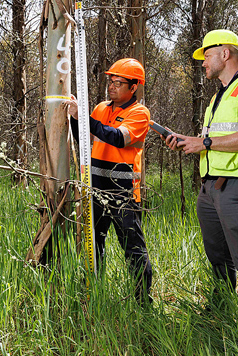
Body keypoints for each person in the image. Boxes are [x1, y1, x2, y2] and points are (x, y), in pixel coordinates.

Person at [164, 30, 238, 344]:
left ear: (225, 53)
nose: (203, 63)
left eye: (206, 55)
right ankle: (221, 311)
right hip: (210, 190)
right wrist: (190, 144)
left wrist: (205, 142)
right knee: (219, 259)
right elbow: (213, 144)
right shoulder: (217, 97)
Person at [66, 58, 153, 304]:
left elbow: (117, 138)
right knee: (94, 243)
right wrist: (76, 118)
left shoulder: (139, 113)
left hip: (123, 193)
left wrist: (84, 117)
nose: (111, 86)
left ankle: (143, 303)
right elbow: (83, 136)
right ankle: (96, 294)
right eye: (110, 81)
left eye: (118, 82)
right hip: (95, 188)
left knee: (133, 249)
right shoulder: (102, 108)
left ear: (134, 87)